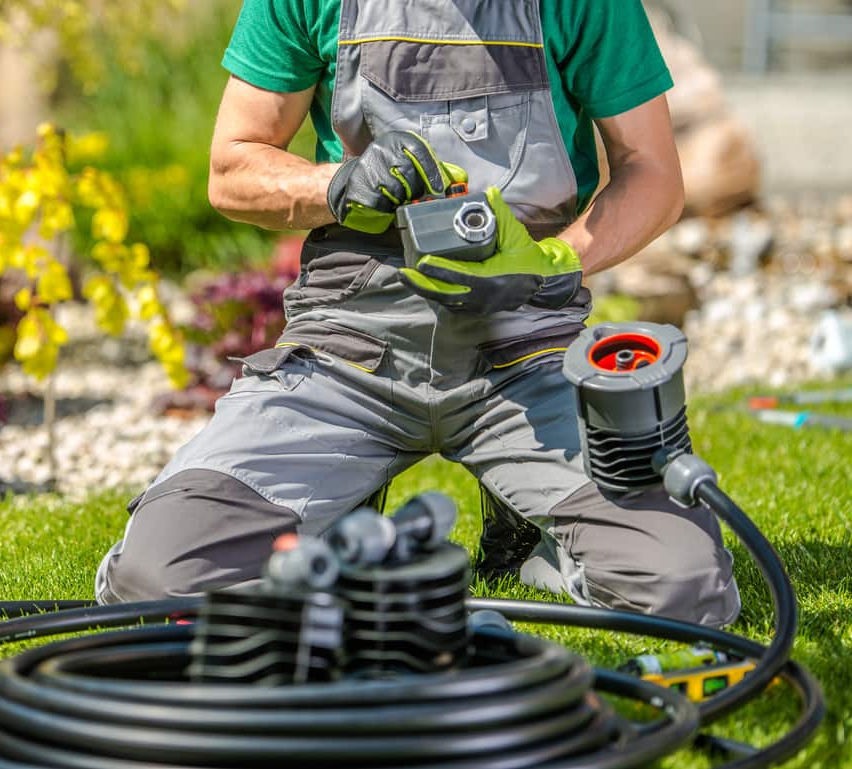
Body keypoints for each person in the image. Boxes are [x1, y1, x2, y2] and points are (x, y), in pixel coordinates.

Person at [94, 0, 740, 628]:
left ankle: (540, 544)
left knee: (682, 588)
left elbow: (652, 171)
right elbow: (232, 167)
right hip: (346, 353)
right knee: (159, 581)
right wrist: (337, 184)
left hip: (526, 352)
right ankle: (344, 516)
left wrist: (552, 259)